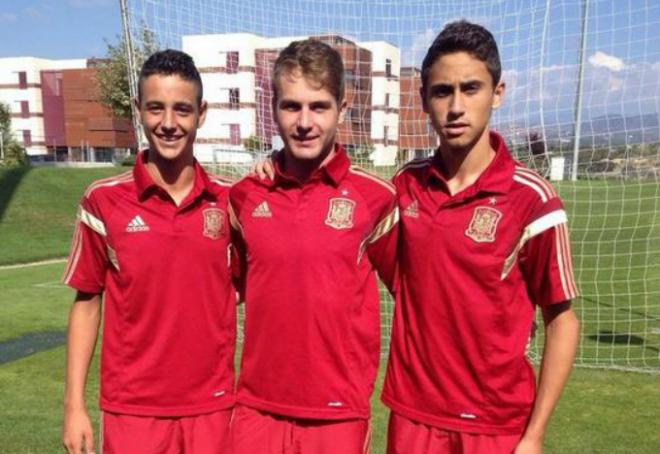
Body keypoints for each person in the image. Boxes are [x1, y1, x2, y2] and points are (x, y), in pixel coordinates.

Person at [381, 21, 580, 453]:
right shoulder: (405, 186)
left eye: (470, 88)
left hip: (494, 424)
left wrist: (535, 434)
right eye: (442, 91)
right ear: (423, 100)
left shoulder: (535, 202)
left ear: (498, 93)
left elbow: (562, 321)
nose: (456, 106)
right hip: (414, 417)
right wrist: (276, 165)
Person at [228, 39, 399, 453]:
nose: (304, 122)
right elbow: (226, 294)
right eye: (292, 106)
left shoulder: (376, 198)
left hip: (337, 414)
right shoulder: (244, 196)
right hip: (256, 408)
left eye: (318, 106)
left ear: (343, 107)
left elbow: (415, 296)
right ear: (273, 106)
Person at [61, 49, 236, 454]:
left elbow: (248, 284)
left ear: (202, 112)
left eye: (182, 109)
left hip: (212, 406)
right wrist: (73, 405)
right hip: (131, 410)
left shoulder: (231, 200)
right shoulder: (103, 201)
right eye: (156, 108)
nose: (169, 123)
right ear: (139, 109)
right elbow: (87, 301)